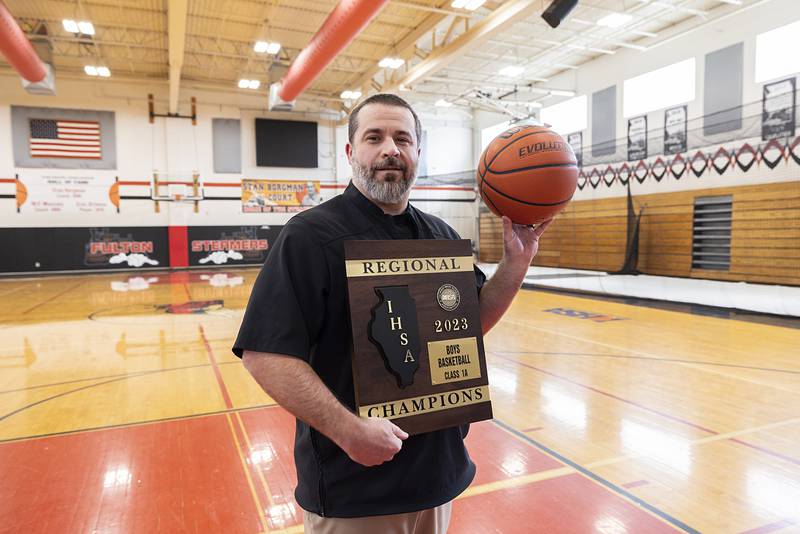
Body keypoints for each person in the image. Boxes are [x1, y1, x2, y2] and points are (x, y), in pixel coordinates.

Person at [233, 93, 552, 533]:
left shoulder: (440, 235)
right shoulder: (310, 236)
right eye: (374, 137)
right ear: (350, 152)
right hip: (357, 492)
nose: (391, 149)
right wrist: (348, 431)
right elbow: (264, 354)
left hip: (437, 479)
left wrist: (517, 264)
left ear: (418, 152)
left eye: (403, 138)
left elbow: (469, 324)